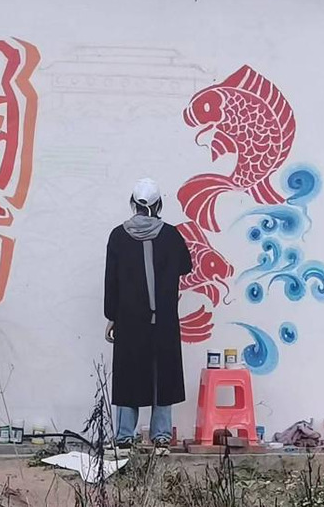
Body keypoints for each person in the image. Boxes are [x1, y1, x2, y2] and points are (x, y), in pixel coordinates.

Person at [104, 178, 193, 456]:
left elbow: (111, 281)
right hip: (163, 320)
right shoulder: (171, 235)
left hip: (129, 321)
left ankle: (124, 438)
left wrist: (111, 316)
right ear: (159, 204)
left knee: (128, 375)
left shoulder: (118, 236)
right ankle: (161, 439)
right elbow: (186, 266)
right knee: (162, 376)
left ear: (133, 203)